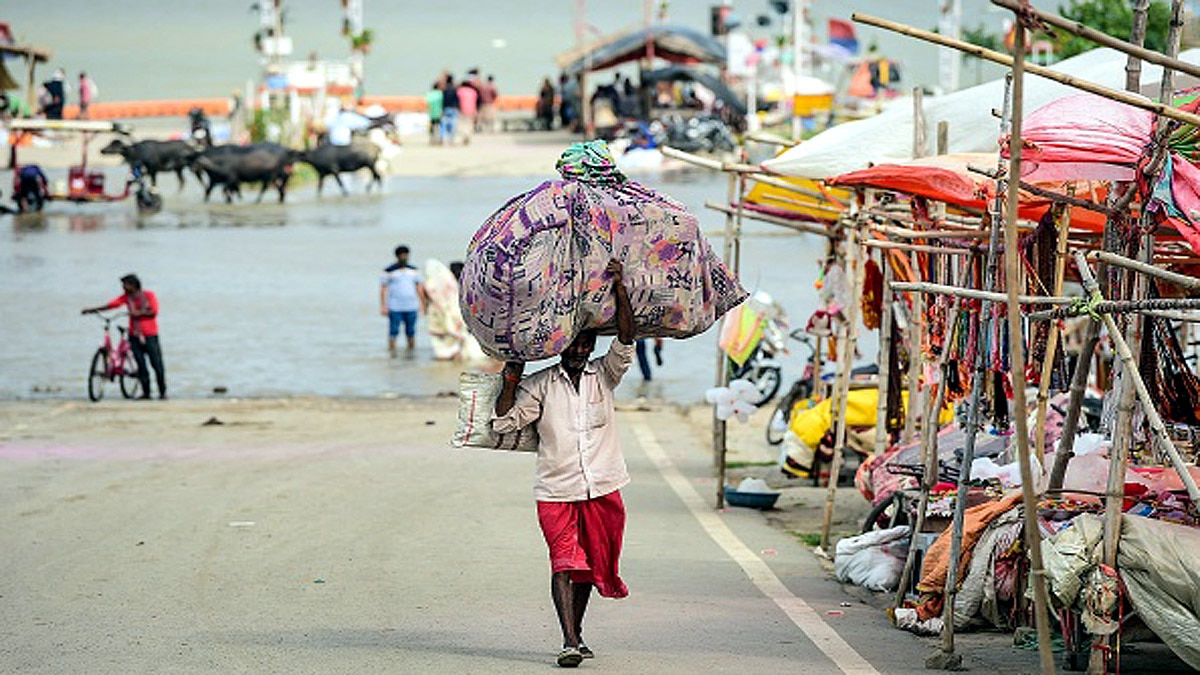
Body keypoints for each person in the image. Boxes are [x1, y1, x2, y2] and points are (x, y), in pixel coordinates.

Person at [493, 259, 636, 668]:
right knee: (564, 562)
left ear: (590, 346)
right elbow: (505, 420)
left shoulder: (604, 376)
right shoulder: (540, 385)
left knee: (589, 566)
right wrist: (510, 379)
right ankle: (569, 641)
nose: (577, 351)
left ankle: (578, 633)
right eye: (571, 345)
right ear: (562, 347)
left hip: (604, 487)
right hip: (556, 490)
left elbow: (626, 339)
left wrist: (621, 288)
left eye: (584, 345)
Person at [81, 274, 167, 399]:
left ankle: (162, 392)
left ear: (134, 285)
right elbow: (111, 305)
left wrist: (137, 313)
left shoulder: (149, 295)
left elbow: (153, 312)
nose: (124, 287)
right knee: (141, 365)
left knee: (157, 364)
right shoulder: (126, 298)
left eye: (126, 285)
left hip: (150, 335)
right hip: (134, 335)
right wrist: (92, 310)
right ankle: (146, 393)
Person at [380, 245, 429, 356]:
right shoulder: (389, 271)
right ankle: (392, 354)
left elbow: (419, 288)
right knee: (393, 332)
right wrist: (383, 306)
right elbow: (383, 289)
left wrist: (423, 304)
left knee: (411, 332)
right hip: (395, 306)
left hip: (411, 306)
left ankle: (410, 354)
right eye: (402, 255)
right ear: (397, 256)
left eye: (405, 255)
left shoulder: (414, 270)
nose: (404, 257)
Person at [456, 76, 478, 146]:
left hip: (462, 109)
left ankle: (464, 135)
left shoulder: (459, 91)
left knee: (462, 124)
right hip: (472, 110)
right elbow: (476, 101)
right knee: (470, 124)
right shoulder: (473, 91)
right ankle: (468, 135)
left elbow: (457, 100)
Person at [440, 75, 460, 145]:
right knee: (453, 125)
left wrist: (441, 109)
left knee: (444, 125)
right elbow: (457, 100)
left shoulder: (444, 90)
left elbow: (442, 101)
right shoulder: (455, 89)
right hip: (453, 108)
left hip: (446, 108)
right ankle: (451, 139)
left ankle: (442, 138)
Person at [424, 81, 443, 145]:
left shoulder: (429, 94)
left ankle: (432, 139)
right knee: (439, 127)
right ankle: (439, 139)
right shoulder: (440, 94)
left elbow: (426, 102)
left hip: (431, 112)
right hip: (439, 112)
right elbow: (442, 103)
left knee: (432, 126)